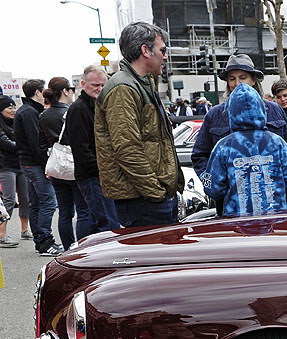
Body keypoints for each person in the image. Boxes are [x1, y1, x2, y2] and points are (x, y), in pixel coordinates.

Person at [94, 22, 183, 228]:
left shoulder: (142, 83)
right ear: (145, 50)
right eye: (162, 50)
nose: (166, 56)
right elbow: (127, 149)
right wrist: (156, 194)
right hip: (143, 201)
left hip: (150, 198)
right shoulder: (123, 88)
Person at [191, 54, 287, 175]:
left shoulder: (274, 110)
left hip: (272, 190)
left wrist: (283, 180)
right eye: (232, 79)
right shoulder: (215, 115)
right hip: (230, 191)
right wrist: (212, 184)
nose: (237, 83)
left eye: (243, 78)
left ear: (253, 80)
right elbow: (200, 155)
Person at [200, 83, 287, 216]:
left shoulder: (223, 147)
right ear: (261, 108)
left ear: (231, 112)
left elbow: (212, 189)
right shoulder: (278, 143)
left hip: (236, 226)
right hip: (274, 224)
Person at [40, 77, 91, 250]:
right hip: (75, 166)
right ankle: (83, 249)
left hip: (56, 168)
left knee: (64, 212)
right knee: (83, 211)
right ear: (65, 91)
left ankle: (68, 248)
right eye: (72, 89)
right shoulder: (72, 112)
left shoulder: (43, 115)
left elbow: (41, 145)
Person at [66, 65, 119, 234]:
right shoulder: (79, 109)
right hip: (92, 175)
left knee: (95, 221)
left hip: (99, 173)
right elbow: (80, 149)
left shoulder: (98, 105)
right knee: (107, 225)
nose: (100, 89)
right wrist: (101, 169)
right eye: (95, 85)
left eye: (103, 85)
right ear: (83, 83)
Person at [14, 78, 62, 255]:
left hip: (28, 163)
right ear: (37, 93)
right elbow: (36, 143)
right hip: (34, 164)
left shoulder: (27, 111)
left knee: (36, 203)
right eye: (43, 91)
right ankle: (45, 241)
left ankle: (41, 242)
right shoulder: (29, 113)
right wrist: (47, 166)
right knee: (48, 202)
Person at [0, 95, 30, 247]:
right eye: (9, 108)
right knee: (9, 199)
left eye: (14, 107)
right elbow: (7, 144)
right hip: (5, 166)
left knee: (25, 199)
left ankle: (25, 230)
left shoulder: (17, 122)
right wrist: (23, 146)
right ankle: (2, 234)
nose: (13, 110)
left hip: (20, 165)